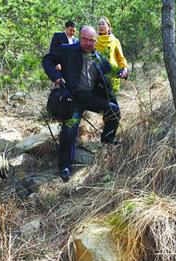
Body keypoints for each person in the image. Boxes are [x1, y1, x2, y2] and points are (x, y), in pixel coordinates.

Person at [42, 26, 122, 182]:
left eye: (92, 40)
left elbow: (111, 69)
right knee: (69, 131)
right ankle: (65, 166)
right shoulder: (67, 50)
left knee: (113, 110)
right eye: (84, 39)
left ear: (96, 41)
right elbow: (47, 60)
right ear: (80, 37)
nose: (88, 43)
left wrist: (121, 71)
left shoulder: (97, 57)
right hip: (73, 99)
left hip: (91, 97)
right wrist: (57, 77)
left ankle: (107, 139)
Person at [95, 17, 128, 94]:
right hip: (98, 76)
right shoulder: (94, 41)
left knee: (112, 102)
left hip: (113, 75)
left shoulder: (115, 41)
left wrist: (125, 68)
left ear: (109, 27)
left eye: (103, 24)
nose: (101, 26)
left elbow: (121, 58)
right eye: (99, 24)